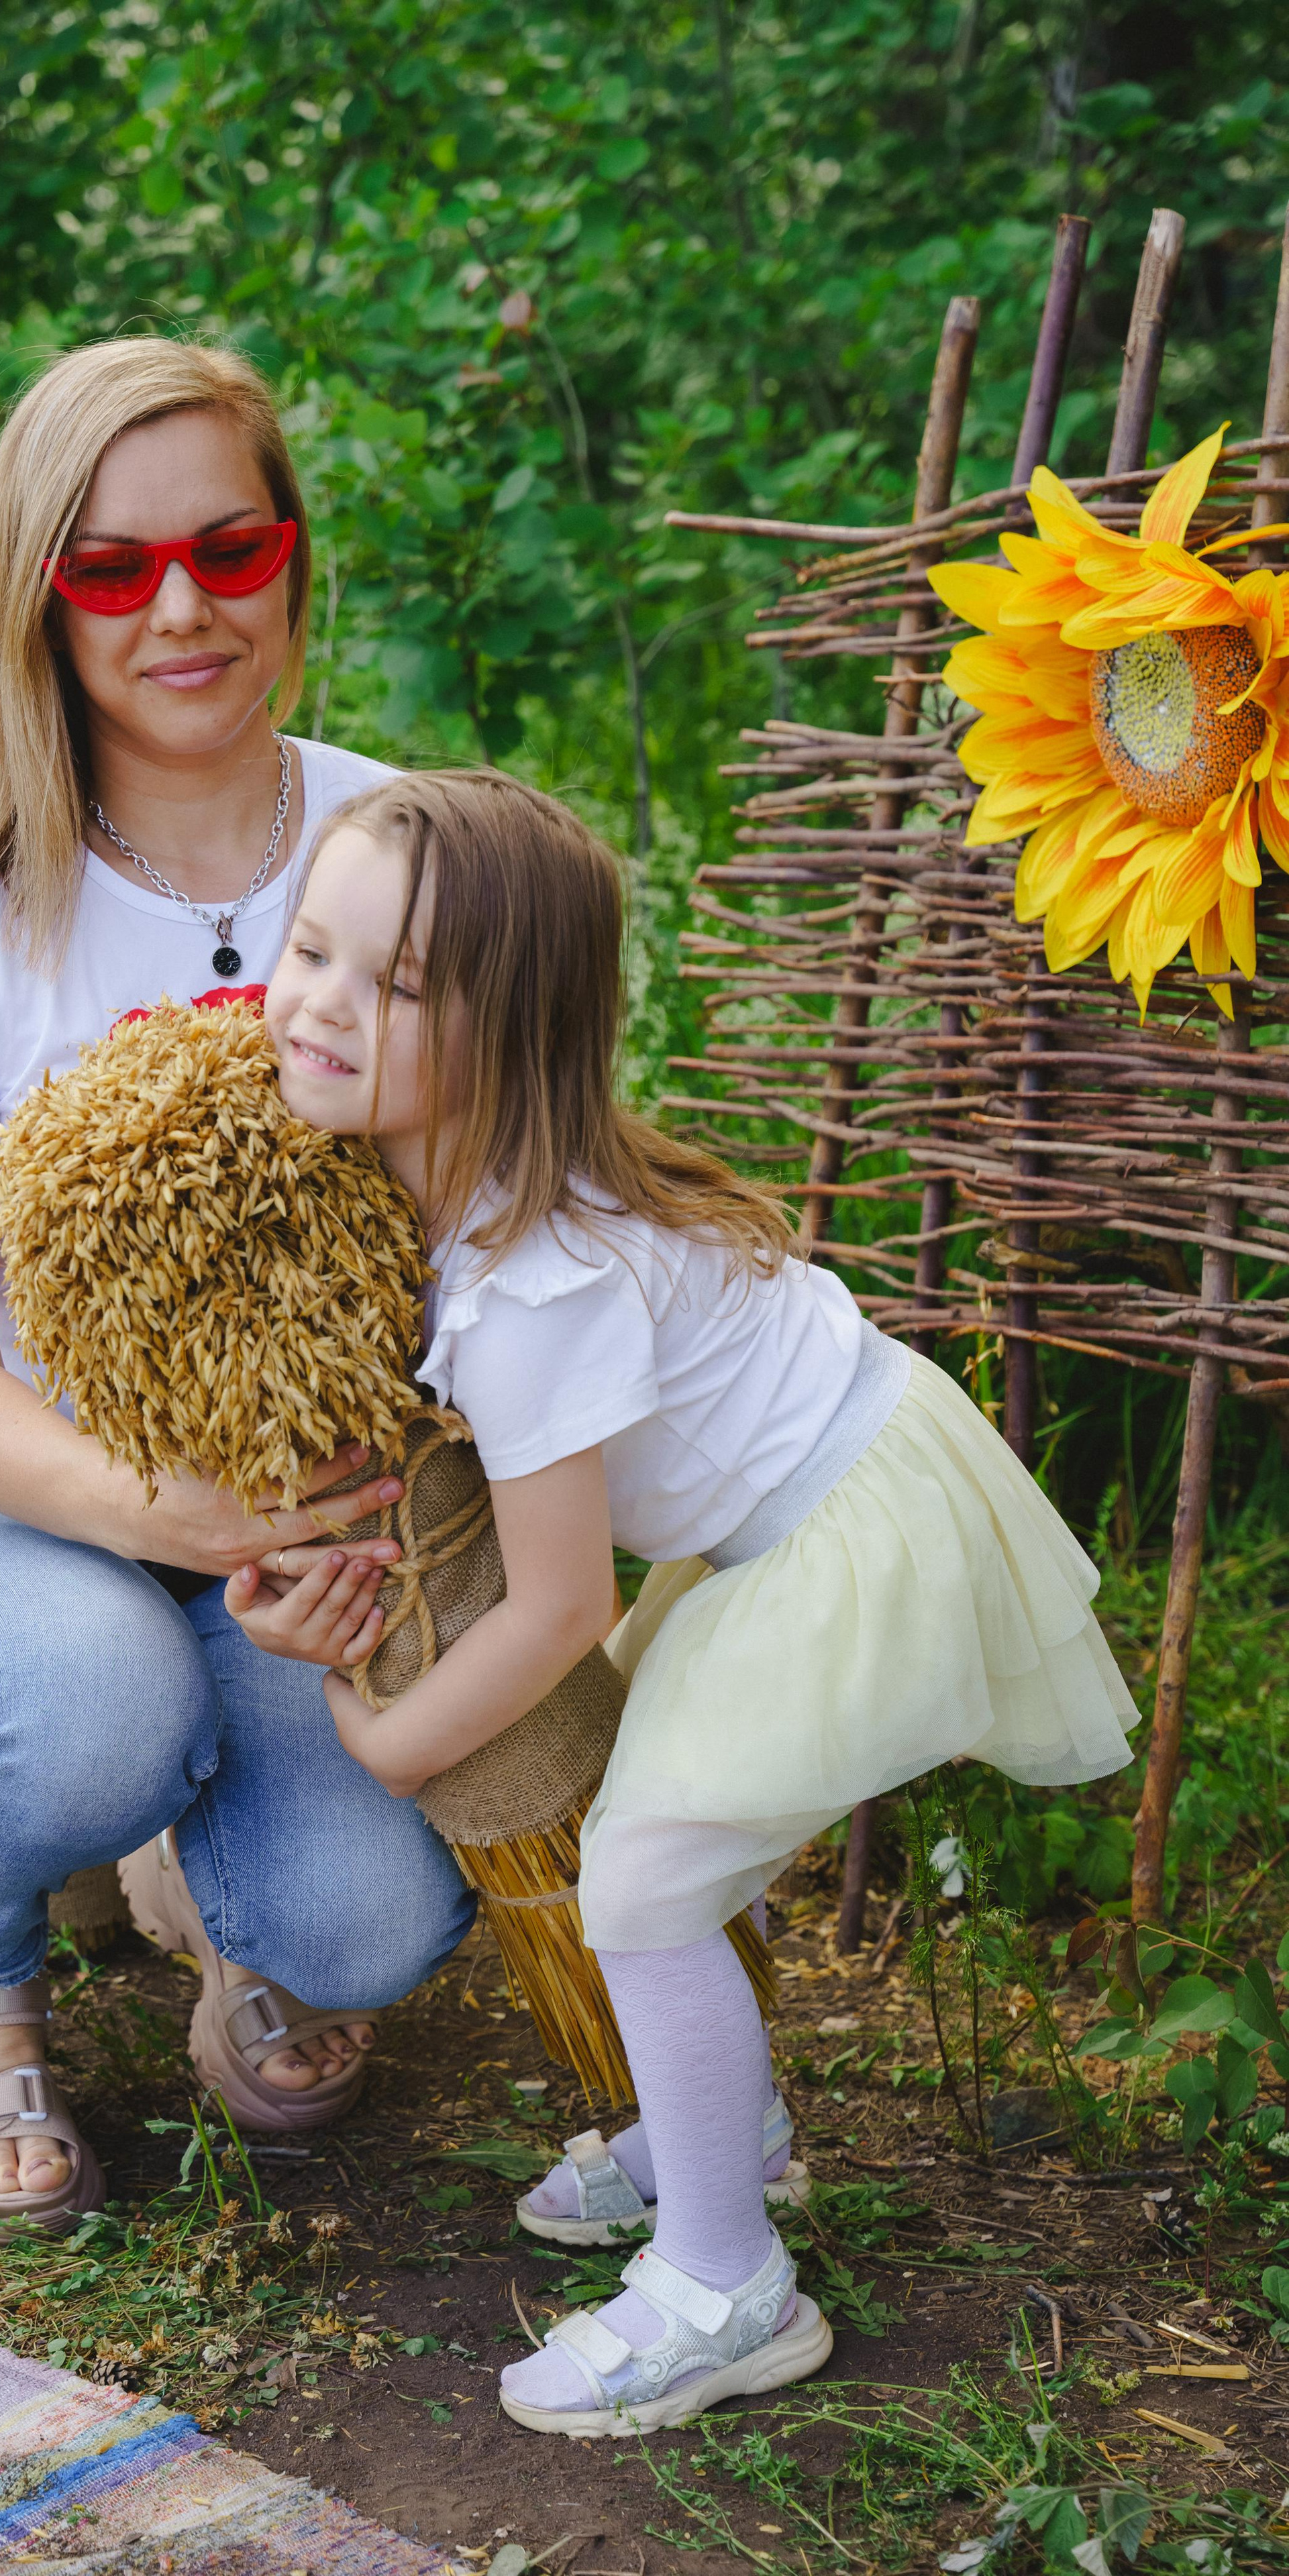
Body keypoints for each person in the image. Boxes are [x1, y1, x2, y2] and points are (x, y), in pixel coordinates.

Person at [231, 767, 1139, 2435]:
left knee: (645, 1871)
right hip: (788, 1518)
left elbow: (556, 1604)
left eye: (399, 984)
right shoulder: (475, 1205)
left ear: (513, 1036)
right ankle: (732, 2135)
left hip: (841, 1529)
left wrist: (383, 1737)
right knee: (671, 1822)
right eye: (307, 948)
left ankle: (728, 2285)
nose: (320, 1006)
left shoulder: (528, 1285)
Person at [0, 338, 474, 2241]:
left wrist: (365, 1521)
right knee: (91, 1693)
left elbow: (490, 1233)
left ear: (291, 560)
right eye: (110, 569)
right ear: (39, 596)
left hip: (302, 1515)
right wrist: (154, 1512)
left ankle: (215, 1878)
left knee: (373, 1927)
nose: (181, 608)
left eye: (227, 550)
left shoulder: (408, 843)